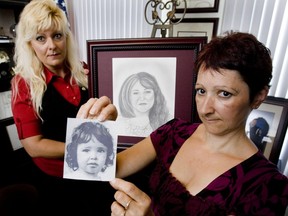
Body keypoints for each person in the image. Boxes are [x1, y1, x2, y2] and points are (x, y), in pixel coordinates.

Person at [109, 32, 288, 215]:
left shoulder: (266, 186)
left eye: (224, 94)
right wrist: (97, 129)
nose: (205, 109)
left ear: (258, 97)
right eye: (201, 91)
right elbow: (108, 168)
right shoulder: (174, 132)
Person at [10, 0, 117, 214]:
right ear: (30, 43)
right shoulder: (23, 84)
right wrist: (86, 150)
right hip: (56, 179)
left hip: (95, 170)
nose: (51, 45)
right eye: (41, 38)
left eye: (57, 35)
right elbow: (34, 145)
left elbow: (102, 121)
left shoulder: (86, 71)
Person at [117, 71, 171, 137]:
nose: (142, 98)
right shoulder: (118, 124)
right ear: (127, 96)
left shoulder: (168, 121)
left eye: (147, 92)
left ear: (155, 94)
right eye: (136, 93)